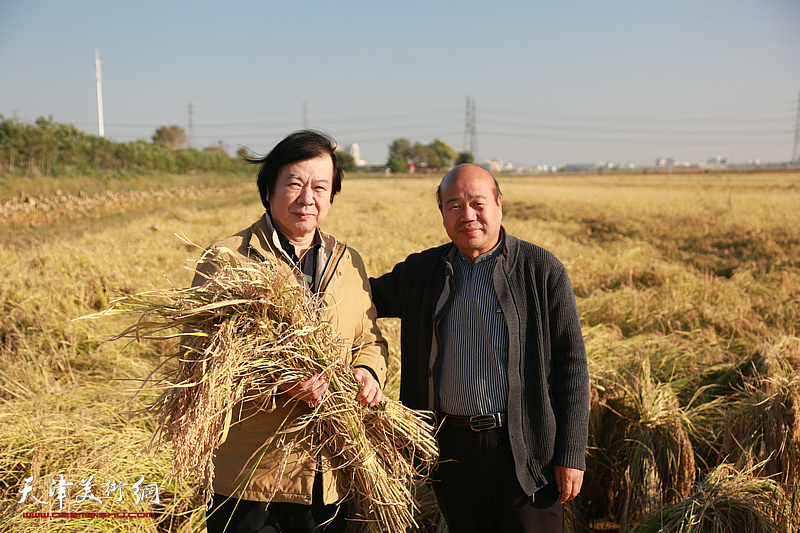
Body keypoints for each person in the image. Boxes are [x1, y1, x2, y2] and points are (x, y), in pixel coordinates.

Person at [369, 163, 589, 533]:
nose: (467, 215)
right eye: (453, 205)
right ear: (441, 214)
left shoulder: (541, 270)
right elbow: (360, 300)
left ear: (499, 204)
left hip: (527, 447)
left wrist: (571, 454)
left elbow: (572, 367)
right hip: (452, 449)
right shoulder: (423, 272)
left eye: (477, 203)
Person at [196, 130, 389, 533]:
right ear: (269, 189)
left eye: (320, 187)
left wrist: (369, 372)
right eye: (295, 184)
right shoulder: (229, 260)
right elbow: (199, 362)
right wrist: (277, 382)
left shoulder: (348, 262)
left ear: (332, 195)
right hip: (250, 477)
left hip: (332, 471)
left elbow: (370, 339)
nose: (308, 199)